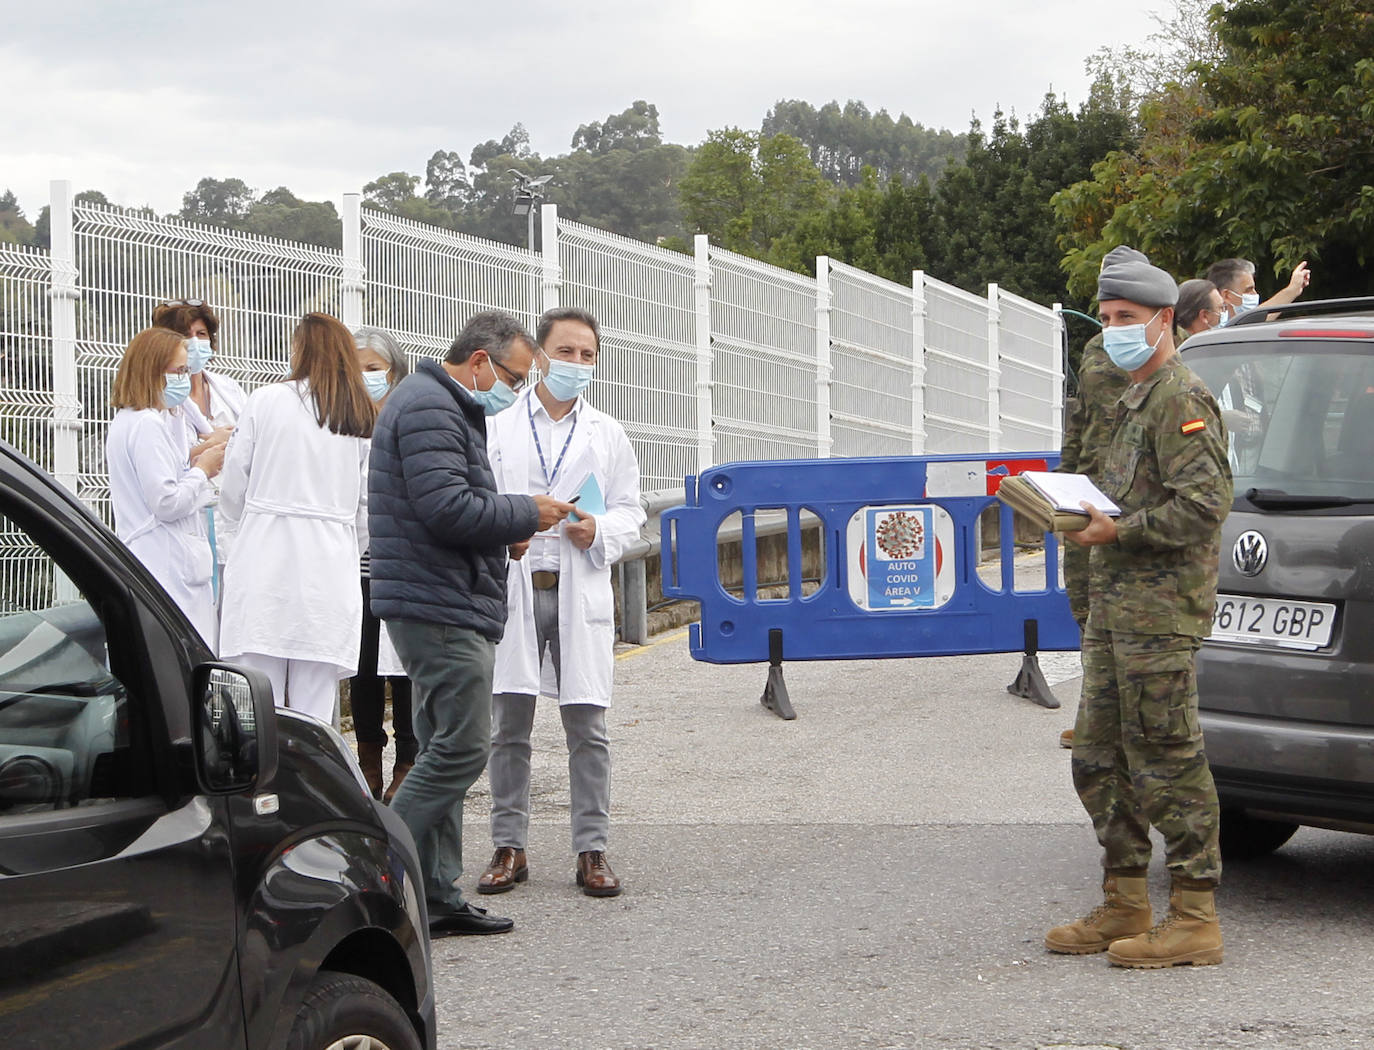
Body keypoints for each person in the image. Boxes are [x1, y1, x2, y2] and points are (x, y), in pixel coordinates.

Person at [1045, 246, 1232, 968]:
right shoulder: (1130, 399)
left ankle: (1194, 917)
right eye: (1109, 317)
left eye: (1127, 319)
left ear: (1163, 321)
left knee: (1169, 760)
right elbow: (1106, 485)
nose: (1113, 330)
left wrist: (1118, 530)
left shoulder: (1180, 398)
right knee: (1098, 758)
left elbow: (1205, 505)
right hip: (1117, 611)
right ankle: (1124, 900)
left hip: (1161, 614)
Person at [368, 310, 574, 938]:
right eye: (514, 377)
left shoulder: (437, 403)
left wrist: (505, 533)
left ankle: (436, 892)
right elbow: (445, 507)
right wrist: (523, 513)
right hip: (438, 604)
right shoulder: (432, 405)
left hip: (440, 594)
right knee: (458, 748)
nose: (516, 391)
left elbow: (447, 509)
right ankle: (377, 871)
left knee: (440, 744)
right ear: (479, 361)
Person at [478, 307, 646, 899]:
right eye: (566, 352)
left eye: (587, 355)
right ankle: (508, 845)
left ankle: (591, 849)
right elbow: (477, 497)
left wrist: (597, 530)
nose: (577, 364)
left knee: (588, 725)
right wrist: (508, 526)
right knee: (508, 726)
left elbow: (631, 509)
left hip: (578, 583)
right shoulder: (497, 424)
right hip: (516, 581)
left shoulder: (607, 432)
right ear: (540, 356)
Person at [217, 313, 374, 724]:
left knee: (253, 698)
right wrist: (343, 545)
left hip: (264, 561)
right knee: (315, 707)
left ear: (300, 350)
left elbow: (234, 482)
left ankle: (256, 786)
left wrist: (242, 523)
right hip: (329, 570)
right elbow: (365, 507)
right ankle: (309, 785)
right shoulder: (356, 414)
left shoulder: (267, 400)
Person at [106, 327, 225, 645]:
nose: (185, 378)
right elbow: (166, 502)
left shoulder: (128, 422)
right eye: (179, 370)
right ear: (152, 369)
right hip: (169, 570)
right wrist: (203, 469)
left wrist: (193, 459)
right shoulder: (147, 425)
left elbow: (160, 478)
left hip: (161, 564)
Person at [349, 326, 416, 802]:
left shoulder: (409, 423)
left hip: (404, 562)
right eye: (357, 369)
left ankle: (409, 758)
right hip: (355, 567)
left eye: (373, 369)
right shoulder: (341, 426)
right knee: (363, 666)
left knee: (406, 667)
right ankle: (368, 753)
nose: (365, 378)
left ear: (394, 374)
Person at [151, 298, 249, 590]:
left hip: (230, 525)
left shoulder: (228, 389)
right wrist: (213, 446)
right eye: (185, 335)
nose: (194, 343)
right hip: (186, 521)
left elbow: (250, 443)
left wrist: (229, 441)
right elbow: (164, 461)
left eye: (201, 334)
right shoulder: (158, 398)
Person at [1205, 258, 1310, 326]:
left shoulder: (1245, 327)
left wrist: (1294, 289)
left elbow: (1259, 317)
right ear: (1227, 295)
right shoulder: (1213, 331)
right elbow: (1257, 317)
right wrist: (1292, 289)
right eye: (1248, 290)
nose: (1255, 294)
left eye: (1254, 289)